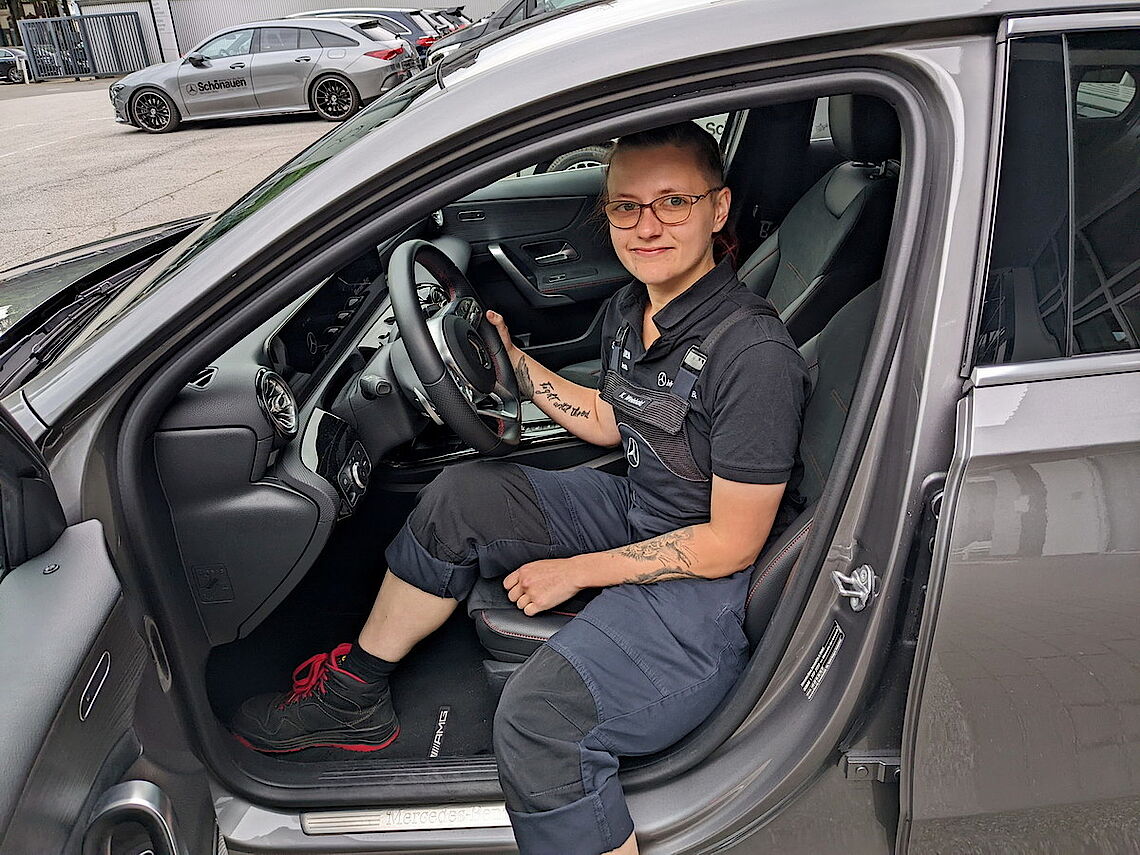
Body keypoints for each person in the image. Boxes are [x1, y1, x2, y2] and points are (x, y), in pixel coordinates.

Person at [233, 121, 810, 855]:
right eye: (626, 206)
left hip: (704, 588)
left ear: (718, 208)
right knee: (460, 498)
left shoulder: (753, 354)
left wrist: (577, 570)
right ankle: (354, 696)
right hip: (641, 509)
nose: (647, 226)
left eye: (674, 202)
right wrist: (517, 366)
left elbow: (731, 543)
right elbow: (614, 420)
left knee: (542, 726)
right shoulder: (636, 308)